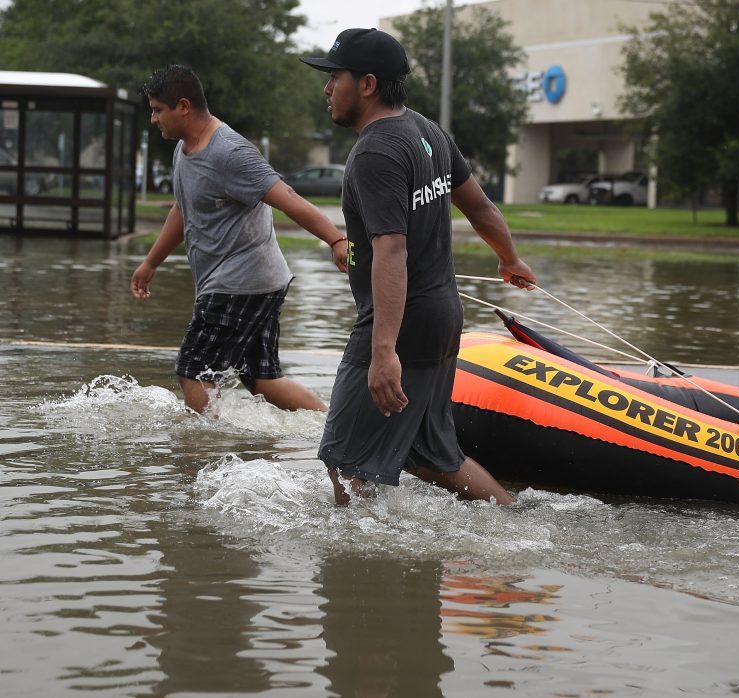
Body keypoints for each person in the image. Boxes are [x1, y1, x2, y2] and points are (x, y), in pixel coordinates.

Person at [299, 28, 536, 506]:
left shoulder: (374, 152)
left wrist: (383, 351)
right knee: (433, 457)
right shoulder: (427, 132)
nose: (327, 88)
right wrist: (509, 258)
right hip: (441, 318)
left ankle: (362, 570)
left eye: (334, 77)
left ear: (367, 84)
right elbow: (482, 208)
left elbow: (392, 249)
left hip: (399, 326)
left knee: (345, 462)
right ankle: (517, 520)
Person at [131, 65, 349, 414]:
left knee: (193, 373)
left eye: (158, 110)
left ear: (183, 106)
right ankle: (330, 427)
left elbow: (287, 196)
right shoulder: (184, 149)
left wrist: (336, 240)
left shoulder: (229, 153)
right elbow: (182, 208)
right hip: (259, 282)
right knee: (262, 380)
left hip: (237, 283)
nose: (154, 119)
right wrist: (151, 262)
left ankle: (204, 454)